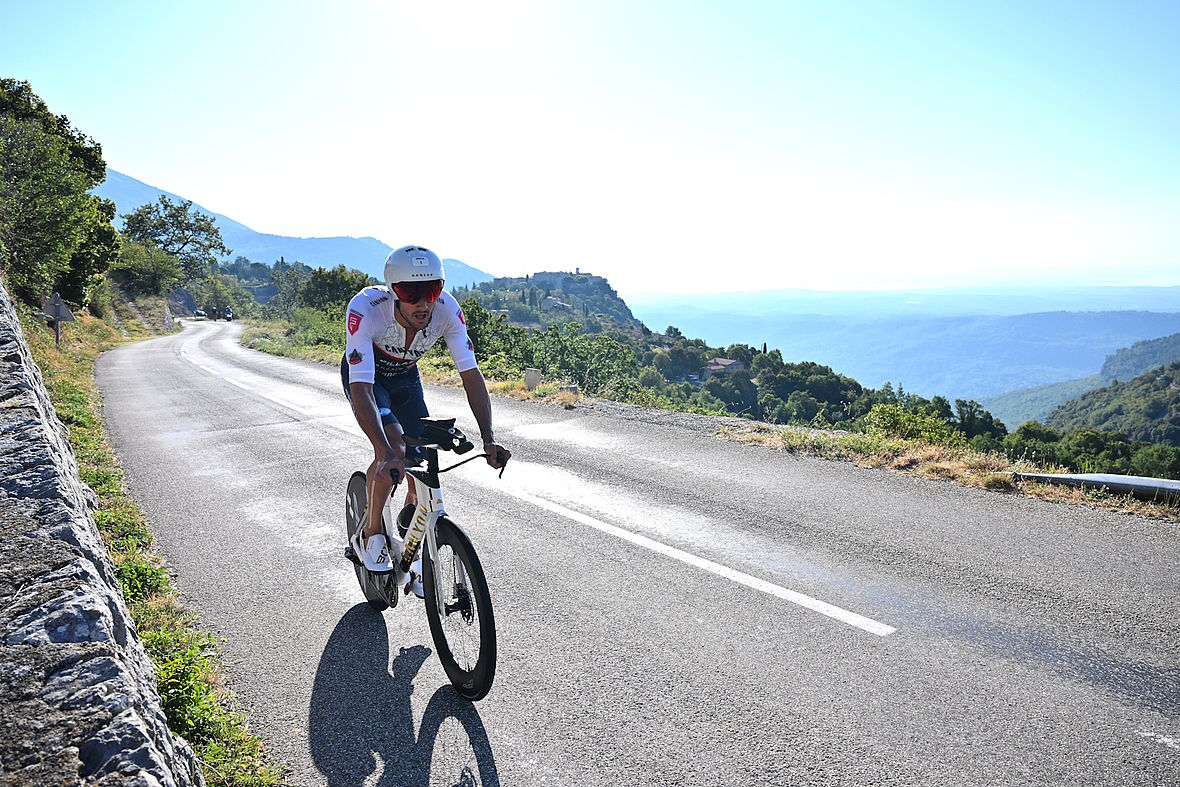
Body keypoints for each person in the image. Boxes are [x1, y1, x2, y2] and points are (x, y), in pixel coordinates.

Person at [342, 245, 510, 574]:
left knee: (420, 459)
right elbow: (361, 389)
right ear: (393, 292)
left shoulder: (447, 311)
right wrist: (384, 450)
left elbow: (471, 376)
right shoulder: (367, 309)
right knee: (395, 447)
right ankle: (370, 533)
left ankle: (410, 541)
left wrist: (489, 439)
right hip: (369, 379)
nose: (423, 303)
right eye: (410, 292)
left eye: (431, 290)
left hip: (405, 378)